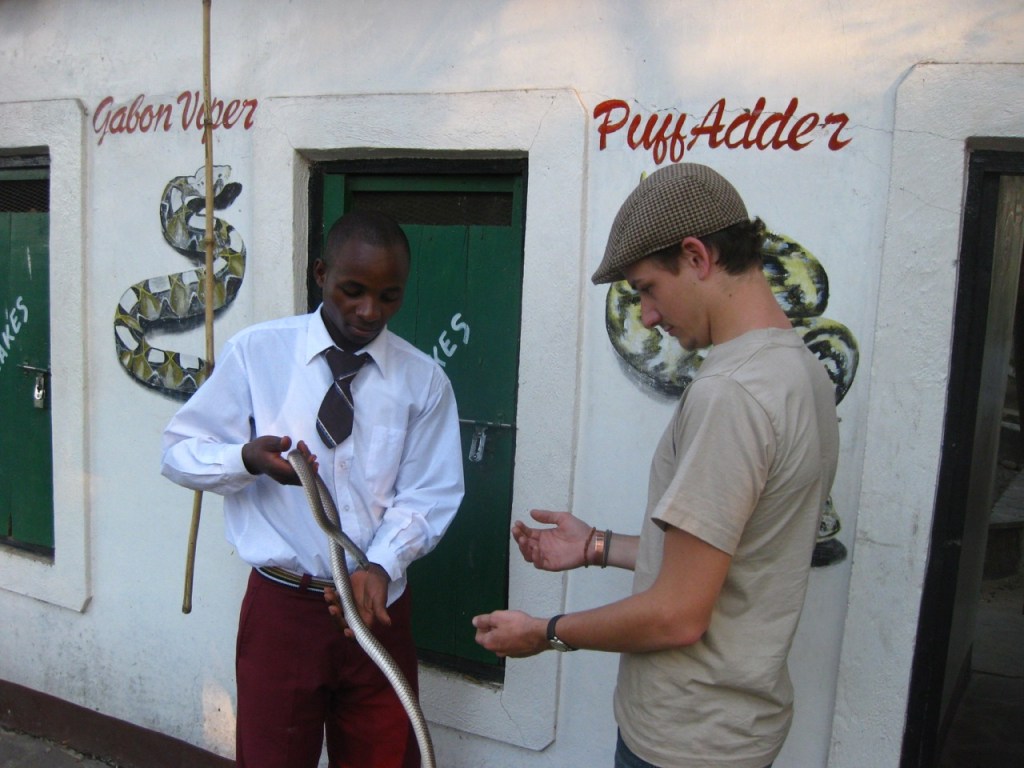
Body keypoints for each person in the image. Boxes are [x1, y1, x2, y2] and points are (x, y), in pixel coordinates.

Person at [472, 163, 840, 768]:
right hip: (733, 731)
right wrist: (595, 545)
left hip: (685, 742)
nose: (645, 316)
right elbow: (732, 555)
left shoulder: (735, 394)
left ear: (696, 256)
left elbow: (677, 615)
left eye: (645, 287)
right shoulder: (796, 369)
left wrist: (543, 632)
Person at [161, 209, 465, 768]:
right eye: (353, 291)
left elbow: (430, 494)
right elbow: (178, 452)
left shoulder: (423, 381)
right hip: (284, 613)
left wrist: (381, 565)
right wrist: (245, 459)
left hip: (378, 609)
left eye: (389, 297)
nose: (369, 311)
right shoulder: (257, 354)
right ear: (321, 273)